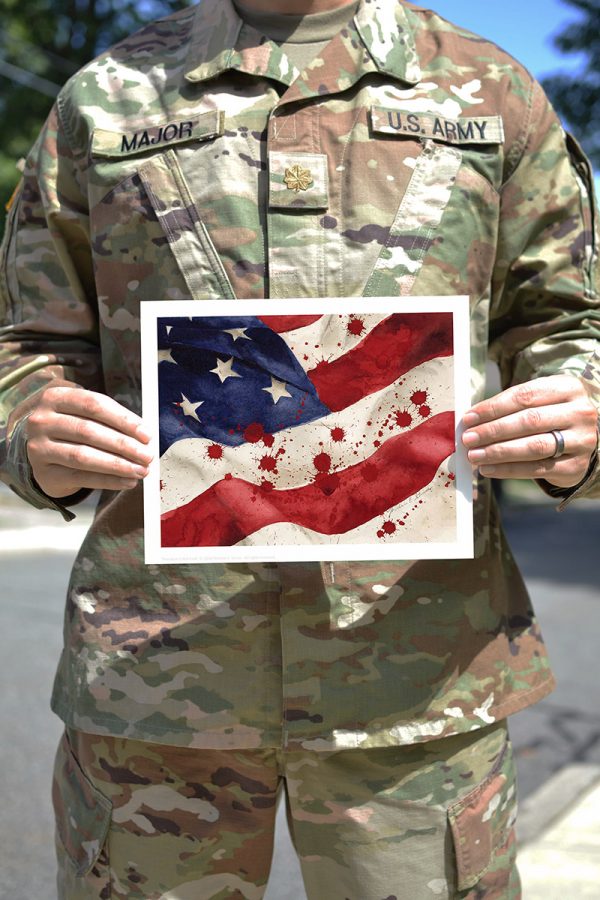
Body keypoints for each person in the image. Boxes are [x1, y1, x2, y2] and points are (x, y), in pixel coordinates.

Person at [1, 0, 598, 896]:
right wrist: (29, 428)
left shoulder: (492, 88)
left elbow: (567, 319)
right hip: (159, 680)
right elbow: (29, 339)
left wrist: (579, 415)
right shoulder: (107, 97)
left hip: (417, 683)